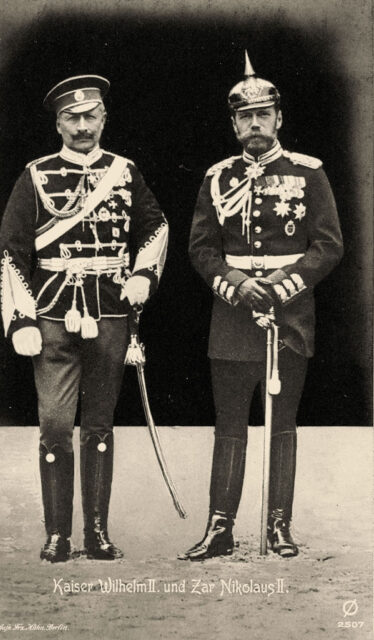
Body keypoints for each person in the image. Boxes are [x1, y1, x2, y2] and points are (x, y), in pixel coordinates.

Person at [179, 52, 343, 560]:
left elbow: (329, 246)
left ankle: (278, 526)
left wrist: (283, 284)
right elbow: (201, 248)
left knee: (283, 422)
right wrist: (233, 283)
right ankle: (220, 528)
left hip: (289, 318)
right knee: (229, 425)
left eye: (263, 114)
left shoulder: (308, 173)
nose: (255, 124)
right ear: (233, 123)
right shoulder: (217, 178)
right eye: (245, 116)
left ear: (279, 118)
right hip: (231, 320)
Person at [0, 75, 168, 563]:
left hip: (112, 313)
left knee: (98, 425)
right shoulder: (35, 174)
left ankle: (95, 534)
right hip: (53, 313)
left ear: (103, 119)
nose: (81, 126)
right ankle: (57, 535)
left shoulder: (125, 171)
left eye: (89, 116)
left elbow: (155, 226)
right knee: (54, 424)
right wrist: (21, 319)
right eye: (71, 118)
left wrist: (142, 276)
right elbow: (13, 250)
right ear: (58, 124)